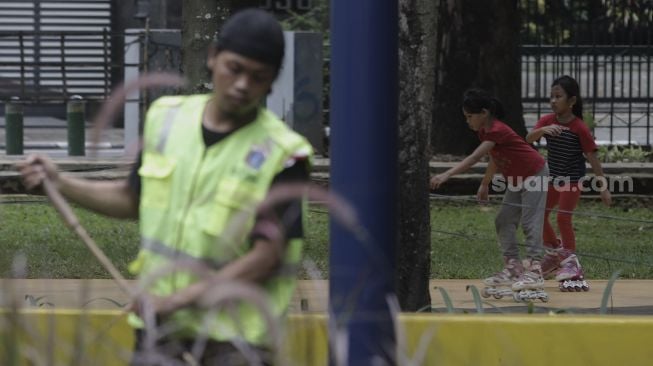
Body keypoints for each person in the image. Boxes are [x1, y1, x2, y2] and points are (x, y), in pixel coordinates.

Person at [18, 8, 313, 365]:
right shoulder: (166, 118)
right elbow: (131, 199)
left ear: (272, 81)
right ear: (212, 57)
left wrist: (175, 301)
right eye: (234, 68)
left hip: (234, 344)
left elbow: (267, 256)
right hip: (159, 335)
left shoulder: (285, 154)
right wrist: (60, 182)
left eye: (258, 77)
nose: (242, 85)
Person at [430, 88, 548, 301]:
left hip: (535, 174)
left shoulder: (497, 129)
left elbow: (475, 158)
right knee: (503, 220)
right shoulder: (485, 132)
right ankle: (513, 266)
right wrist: (486, 183)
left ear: (484, 113)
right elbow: (495, 156)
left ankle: (535, 268)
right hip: (516, 178)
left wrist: (446, 174)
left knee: (531, 222)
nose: (468, 121)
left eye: (470, 116)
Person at [526, 75, 611, 290]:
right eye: (551, 96)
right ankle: (556, 253)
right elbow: (528, 139)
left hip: (572, 180)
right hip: (553, 179)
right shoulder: (547, 121)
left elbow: (593, 158)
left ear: (571, 101)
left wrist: (604, 187)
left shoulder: (579, 127)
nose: (553, 101)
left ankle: (571, 260)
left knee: (563, 218)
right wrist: (542, 131)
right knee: (540, 215)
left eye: (558, 96)